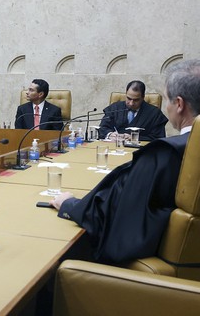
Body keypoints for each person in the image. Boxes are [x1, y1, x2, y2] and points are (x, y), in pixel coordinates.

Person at [50, 59, 200, 264]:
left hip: (145, 272)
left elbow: (110, 214)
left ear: (179, 104)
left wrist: (70, 204)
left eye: (167, 99)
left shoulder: (164, 156)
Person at [97, 80, 168, 141]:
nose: (131, 103)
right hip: (115, 149)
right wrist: (110, 134)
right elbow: (103, 128)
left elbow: (158, 138)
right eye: (129, 98)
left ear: (143, 97)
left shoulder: (154, 113)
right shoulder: (115, 108)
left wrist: (135, 138)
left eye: (136, 100)